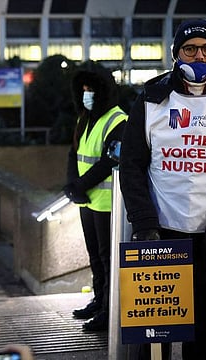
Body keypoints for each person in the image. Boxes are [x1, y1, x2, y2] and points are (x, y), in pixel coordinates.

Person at [119, 19, 206, 359]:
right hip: (162, 235)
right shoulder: (151, 97)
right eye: (189, 49)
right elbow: (132, 165)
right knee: (153, 337)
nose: (198, 56)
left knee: (203, 335)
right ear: (176, 53)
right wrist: (144, 223)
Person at [64, 64, 127, 332]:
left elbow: (109, 161)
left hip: (106, 202)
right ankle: (99, 299)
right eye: (83, 90)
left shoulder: (118, 120)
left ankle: (108, 310)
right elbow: (74, 153)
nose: (87, 94)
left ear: (103, 91)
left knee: (107, 257)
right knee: (94, 255)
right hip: (87, 200)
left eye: (91, 90)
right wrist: (71, 185)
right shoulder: (85, 118)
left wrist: (80, 185)